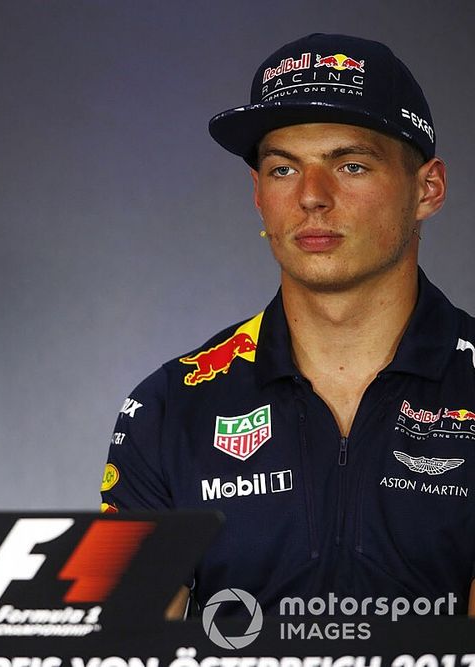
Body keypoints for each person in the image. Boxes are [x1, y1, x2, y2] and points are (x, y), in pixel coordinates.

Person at [101, 33, 474, 616]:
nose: (312, 197)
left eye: (350, 165)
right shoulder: (170, 405)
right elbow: (130, 639)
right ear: (257, 195)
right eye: (282, 169)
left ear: (428, 189)